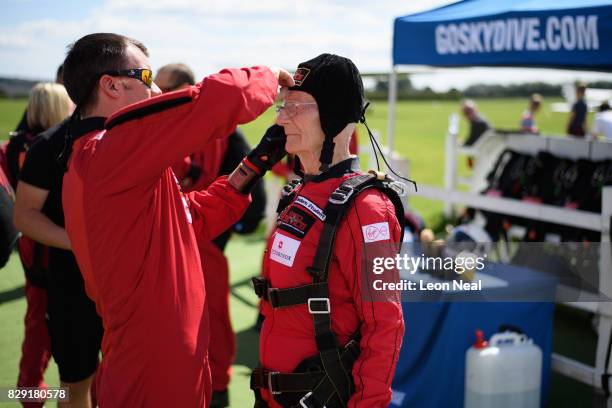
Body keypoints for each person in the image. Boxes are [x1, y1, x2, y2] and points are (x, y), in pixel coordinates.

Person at [59, 33, 293, 407]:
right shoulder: (110, 150)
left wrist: (251, 167)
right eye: (146, 77)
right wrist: (271, 74)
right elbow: (214, 101)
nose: (154, 92)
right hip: (155, 362)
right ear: (112, 85)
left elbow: (185, 219)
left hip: (155, 353)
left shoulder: (99, 157)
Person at [250, 54, 405, 407]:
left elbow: (385, 325)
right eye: (282, 105)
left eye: (297, 106)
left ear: (335, 118)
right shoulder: (297, 192)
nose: (280, 117)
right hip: (272, 394)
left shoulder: (367, 212)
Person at [155, 63, 268, 407]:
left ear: (187, 87)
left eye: (163, 89)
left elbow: (253, 186)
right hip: (165, 240)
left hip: (202, 240)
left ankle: (216, 385)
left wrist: (232, 227)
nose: (156, 96)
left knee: (211, 315)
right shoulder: (156, 126)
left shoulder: (216, 129)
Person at [14, 83, 105, 408]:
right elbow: (23, 214)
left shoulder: (135, 134)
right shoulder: (49, 144)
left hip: (120, 288)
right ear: (108, 85)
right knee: (71, 377)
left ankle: (30, 395)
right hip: (61, 277)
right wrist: (81, 242)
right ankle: (29, 396)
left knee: (121, 379)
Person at [6, 82, 73, 408]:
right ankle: (75, 393)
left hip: (30, 241)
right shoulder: (60, 146)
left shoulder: (13, 145)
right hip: (61, 242)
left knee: (36, 321)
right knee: (73, 327)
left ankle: (29, 391)